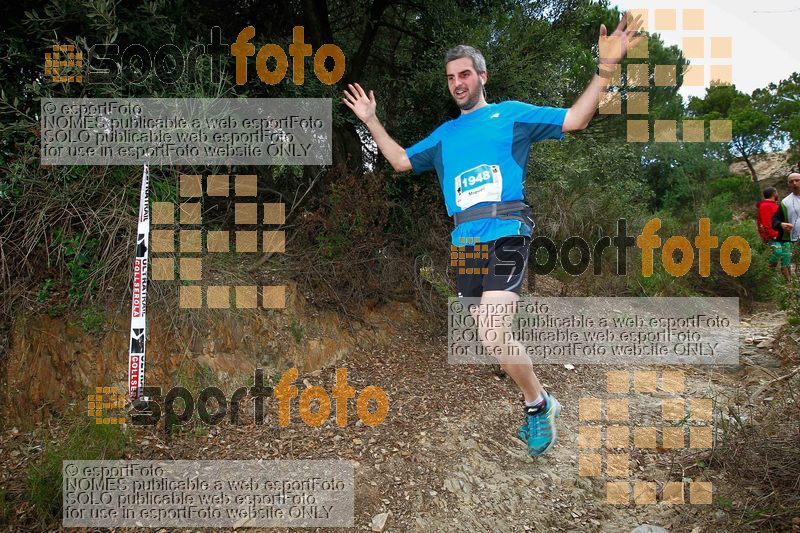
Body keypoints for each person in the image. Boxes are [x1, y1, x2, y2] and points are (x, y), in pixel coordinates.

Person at [342, 13, 643, 456]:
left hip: (506, 230)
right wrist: (370, 119)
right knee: (488, 337)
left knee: (495, 328)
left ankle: (537, 406)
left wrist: (606, 68)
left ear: (482, 76)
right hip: (465, 241)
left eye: (465, 74)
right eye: (450, 77)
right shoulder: (445, 135)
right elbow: (402, 161)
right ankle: (540, 402)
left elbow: (577, 119)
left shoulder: (512, 116)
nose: (457, 83)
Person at [757, 187, 791, 281]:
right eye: (776, 192)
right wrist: (773, 234)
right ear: (774, 193)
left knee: (786, 259)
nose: (777, 194)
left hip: (784, 236)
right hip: (774, 236)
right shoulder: (765, 206)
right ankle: (764, 276)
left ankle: (789, 284)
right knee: (778, 252)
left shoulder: (775, 205)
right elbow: (767, 223)